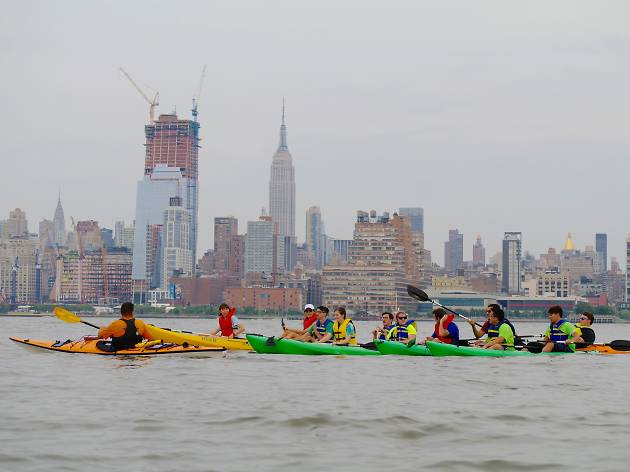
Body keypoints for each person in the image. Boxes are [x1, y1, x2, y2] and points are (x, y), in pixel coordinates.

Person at [87, 302, 152, 352]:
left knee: (99, 343)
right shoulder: (140, 323)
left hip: (119, 350)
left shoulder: (115, 324)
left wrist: (102, 329)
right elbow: (150, 338)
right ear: (132, 312)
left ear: (121, 312)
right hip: (136, 349)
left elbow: (100, 336)